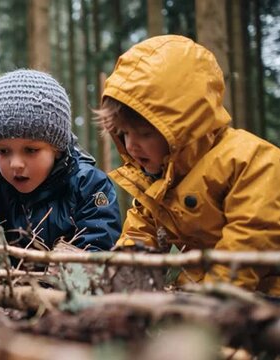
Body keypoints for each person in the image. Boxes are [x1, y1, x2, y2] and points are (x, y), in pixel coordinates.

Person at [95, 35, 280, 294]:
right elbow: (139, 234)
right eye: (124, 134)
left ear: (183, 128)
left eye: (144, 133)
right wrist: (122, 282)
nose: (131, 146)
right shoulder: (158, 180)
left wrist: (212, 299)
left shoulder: (249, 161)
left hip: (264, 293)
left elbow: (249, 238)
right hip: (200, 292)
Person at [0, 69, 122, 254]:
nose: (15, 163)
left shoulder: (90, 185)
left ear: (57, 148)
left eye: (31, 150)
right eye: (3, 151)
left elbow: (99, 246)